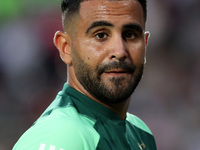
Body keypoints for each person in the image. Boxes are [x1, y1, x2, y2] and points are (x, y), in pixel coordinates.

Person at [13, 0, 157, 149]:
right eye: (101, 35)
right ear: (66, 47)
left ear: (145, 43)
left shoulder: (140, 133)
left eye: (130, 34)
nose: (120, 51)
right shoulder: (60, 137)